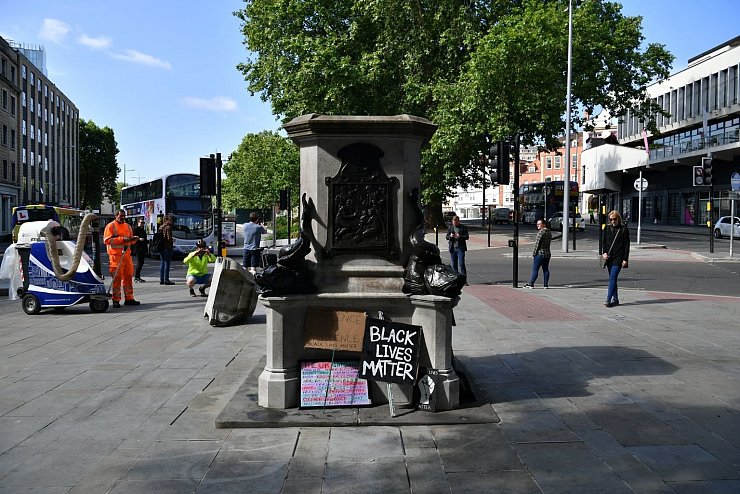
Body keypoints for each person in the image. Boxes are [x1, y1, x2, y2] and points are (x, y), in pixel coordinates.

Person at [103, 209, 140, 308]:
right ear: (116, 216)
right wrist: (122, 239)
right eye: (121, 216)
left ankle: (129, 298)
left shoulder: (127, 226)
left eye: (124, 216)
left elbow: (130, 239)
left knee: (128, 277)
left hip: (126, 255)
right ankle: (116, 300)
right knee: (117, 279)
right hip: (115, 256)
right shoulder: (111, 226)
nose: (123, 217)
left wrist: (133, 240)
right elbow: (107, 240)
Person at [601, 210, 630, 307]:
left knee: (613, 277)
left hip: (618, 257)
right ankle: (616, 299)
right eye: (611, 219)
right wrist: (604, 253)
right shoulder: (606, 228)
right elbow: (603, 242)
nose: (613, 221)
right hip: (609, 257)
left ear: (618, 219)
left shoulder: (623, 230)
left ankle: (608, 299)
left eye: (615, 219)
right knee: (612, 279)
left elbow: (626, 245)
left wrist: (625, 259)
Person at [523, 219, 552, 289]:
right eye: (537, 224)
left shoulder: (541, 232)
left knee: (535, 270)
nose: (537, 225)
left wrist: (534, 253)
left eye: (539, 224)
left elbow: (537, 244)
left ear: (543, 224)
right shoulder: (549, 232)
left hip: (539, 254)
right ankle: (545, 285)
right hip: (547, 253)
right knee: (545, 269)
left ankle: (531, 284)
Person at [445, 215, 469, 283]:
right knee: (454, 264)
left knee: (461, 264)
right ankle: (456, 280)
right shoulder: (450, 227)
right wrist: (450, 236)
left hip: (460, 248)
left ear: (458, 221)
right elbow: (447, 237)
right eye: (453, 222)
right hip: (453, 248)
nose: (454, 223)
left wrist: (460, 236)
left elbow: (467, 237)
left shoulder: (463, 227)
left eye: (456, 222)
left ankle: (464, 280)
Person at [159, 215, 175, 285]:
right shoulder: (168, 227)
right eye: (170, 219)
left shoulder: (161, 227)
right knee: (167, 263)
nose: (171, 221)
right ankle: (166, 279)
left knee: (162, 263)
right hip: (167, 247)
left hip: (161, 247)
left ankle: (162, 279)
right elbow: (169, 238)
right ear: (166, 220)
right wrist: (172, 240)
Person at [132, 218, 148, 282]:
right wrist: (139, 239)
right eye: (141, 223)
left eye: (143, 223)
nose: (142, 224)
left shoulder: (142, 229)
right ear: (138, 223)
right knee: (139, 263)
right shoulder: (136, 229)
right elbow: (132, 237)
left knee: (141, 263)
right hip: (138, 248)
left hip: (143, 248)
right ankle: (136, 277)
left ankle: (138, 276)